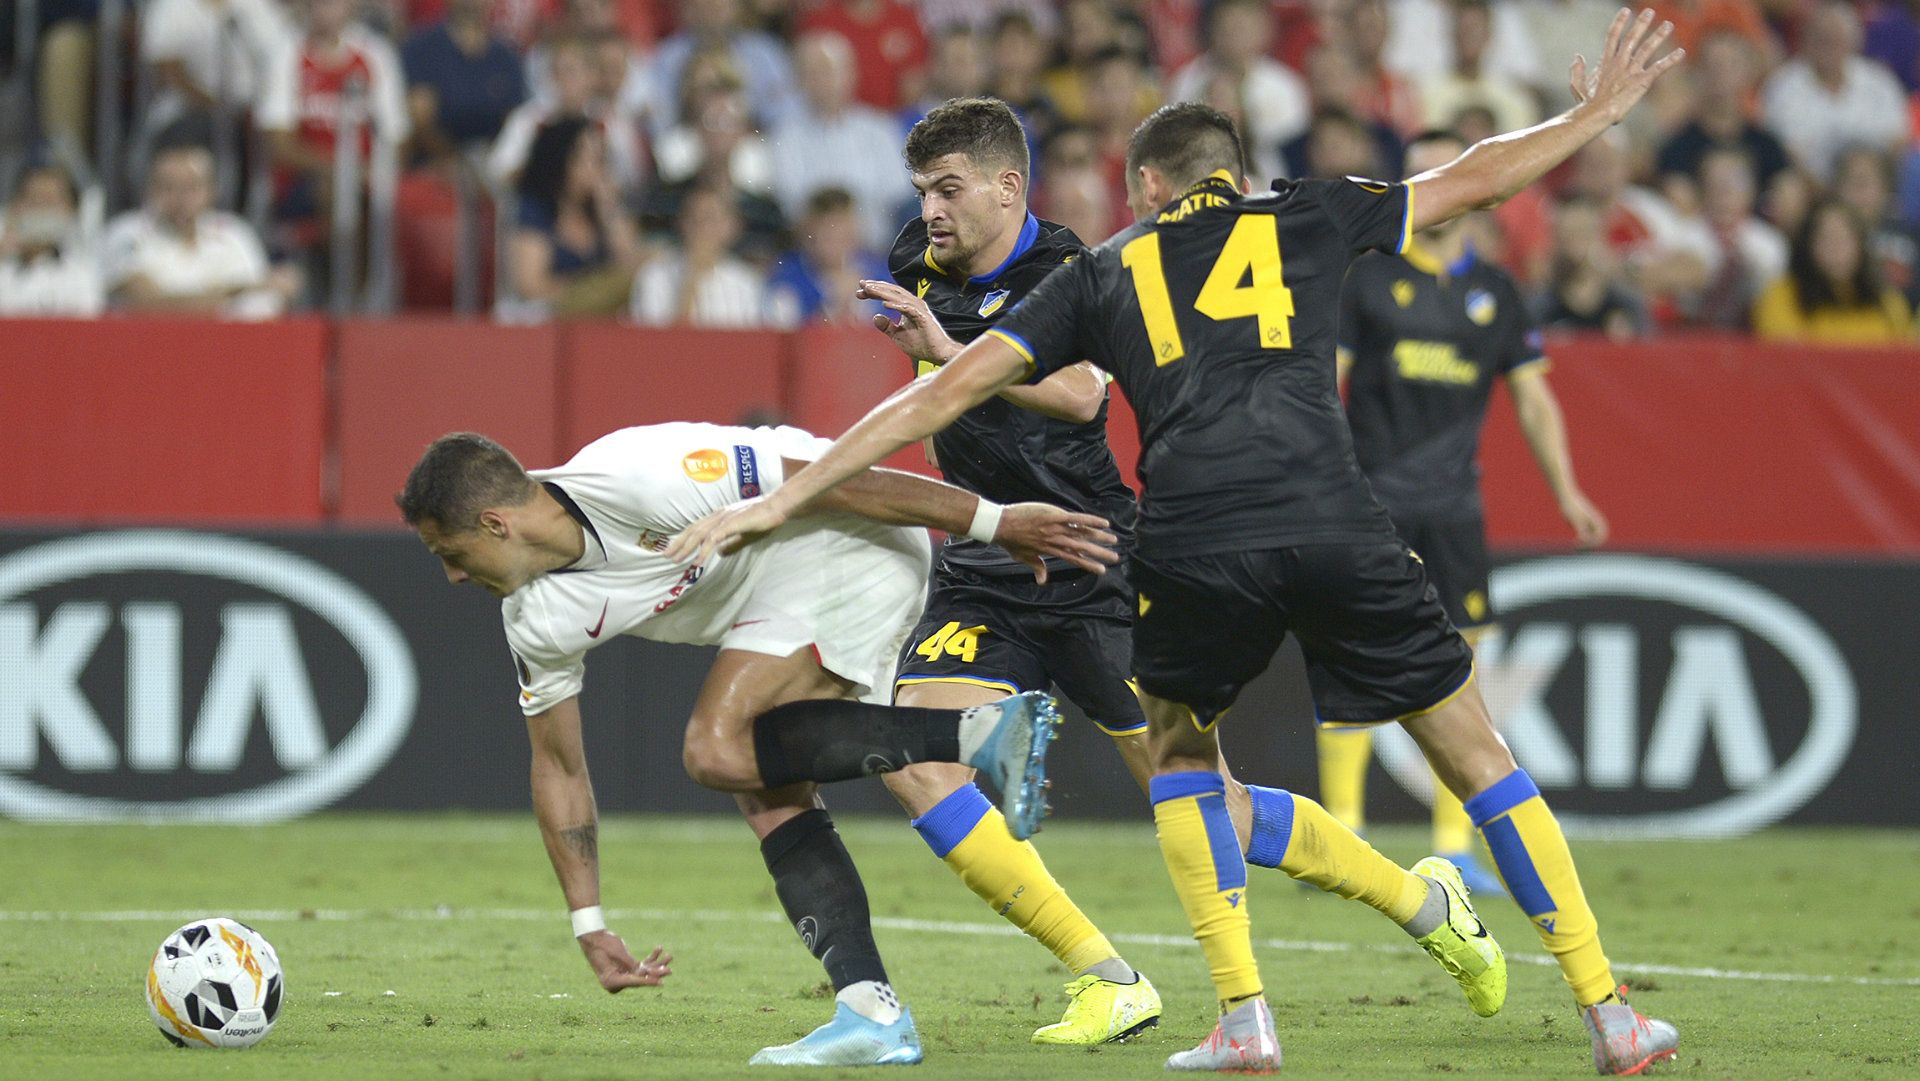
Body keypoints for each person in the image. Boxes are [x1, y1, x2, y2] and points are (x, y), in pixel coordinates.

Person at [669, 10, 1688, 1076]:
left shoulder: (1098, 266)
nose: (929, 209)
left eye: (947, 188)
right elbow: (1471, 180)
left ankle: (1305, 980)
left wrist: (788, 494)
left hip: (1146, 546)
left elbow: (982, 398)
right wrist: (1594, 114)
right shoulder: (1305, 213)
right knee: (1473, 754)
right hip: (1234, 529)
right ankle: (1601, 1011)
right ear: (1235, 176)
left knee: (1192, 775)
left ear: (1143, 188)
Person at [398, 423, 1118, 1065]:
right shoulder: (535, 618)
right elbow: (559, 767)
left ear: (495, 523)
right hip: (774, 597)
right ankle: (869, 1012)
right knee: (762, 784)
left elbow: (845, 476)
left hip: (848, 537)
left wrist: (995, 523)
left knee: (715, 747)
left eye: (450, 553)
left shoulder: (639, 473)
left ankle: (980, 733)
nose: (453, 576)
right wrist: (589, 921)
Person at [1320, 128, 1611, 898]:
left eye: (1444, 171)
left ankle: (1453, 845)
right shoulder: (1368, 279)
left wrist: (1567, 491)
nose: (1434, 187)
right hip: (1373, 500)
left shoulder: (1497, 292)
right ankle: (1344, 829)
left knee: (1462, 670)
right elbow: (1321, 387)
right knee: (1355, 651)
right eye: (1419, 175)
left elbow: (1534, 399)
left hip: (1454, 509)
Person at [101, 144, 299, 317]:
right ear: (150, 190)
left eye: (192, 187)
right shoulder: (126, 233)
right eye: (169, 187)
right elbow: (148, 304)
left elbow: (263, 305)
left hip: (226, 344)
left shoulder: (234, 233)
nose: (181, 199)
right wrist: (237, 291)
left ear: (211, 191)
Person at [505, 117, 641, 319]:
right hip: (550, 322)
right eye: (588, 159)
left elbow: (631, 267)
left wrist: (610, 208)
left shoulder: (603, 213)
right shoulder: (536, 210)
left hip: (601, 323)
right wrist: (590, 292)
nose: (596, 169)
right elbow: (531, 284)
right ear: (561, 160)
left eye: (601, 160)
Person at [1752, 199, 1915, 343]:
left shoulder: (1888, 302)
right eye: (1826, 237)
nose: (1836, 247)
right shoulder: (1781, 298)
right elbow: (1784, 356)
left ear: (1861, 245)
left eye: (1844, 238)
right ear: (1808, 244)